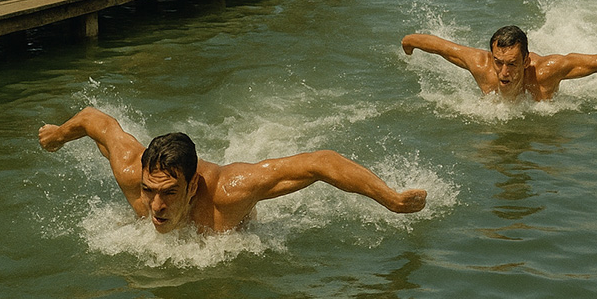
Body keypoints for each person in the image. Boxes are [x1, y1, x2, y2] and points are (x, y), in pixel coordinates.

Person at [39, 107, 428, 234]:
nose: (155, 205)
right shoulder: (130, 172)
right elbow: (95, 121)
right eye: (149, 191)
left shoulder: (231, 192)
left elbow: (321, 163)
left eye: (169, 193)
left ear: (193, 187)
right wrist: (58, 134)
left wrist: (390, 199)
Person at [401, 25, 597, 102]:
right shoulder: (482, 66)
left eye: (513, 64)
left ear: (526, 61)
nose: (504, 73)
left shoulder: (547, 72)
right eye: (499, 62)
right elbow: (443, 47)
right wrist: (409, 42)